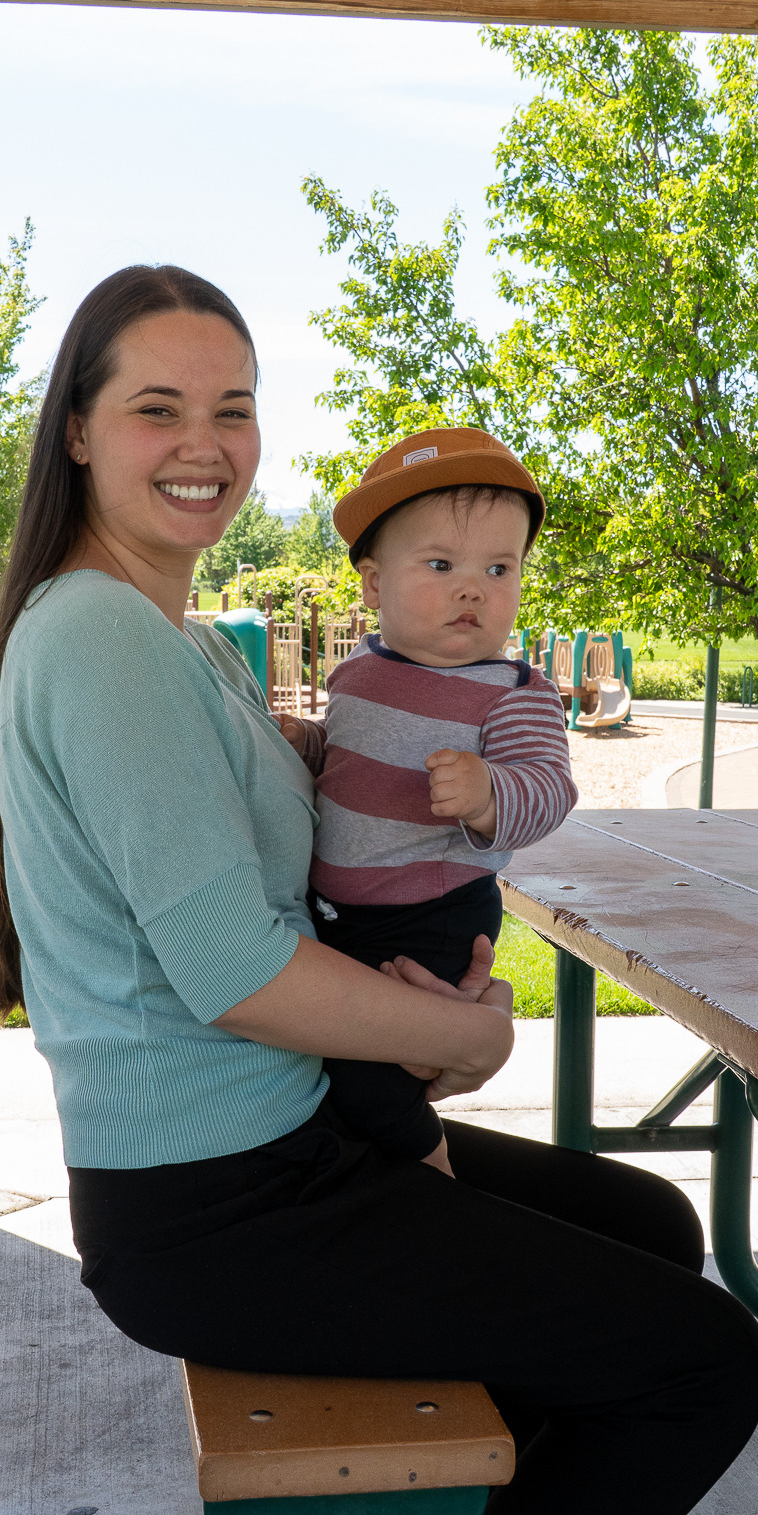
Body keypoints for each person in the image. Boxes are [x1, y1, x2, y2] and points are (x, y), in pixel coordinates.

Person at [0, 265, 758, 1515]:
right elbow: (244, 977)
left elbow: (290, 879)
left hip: (289, 1146)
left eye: (234, 408)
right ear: (76, 430)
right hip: (221, 1206)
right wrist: (463, 1037)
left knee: (647, 1232)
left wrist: (407, 985)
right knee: (704, 1363)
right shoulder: (106, 645)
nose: (206, 444)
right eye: (157, 407)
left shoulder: (174, 637)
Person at [278, 429, 577, 1175]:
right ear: (374, 586)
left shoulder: (512, 691)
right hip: (339, 916)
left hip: (432, 916)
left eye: (499, 568)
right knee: (327, 1065)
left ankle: (436, 1184)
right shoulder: (358, 672)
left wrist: (487, 793)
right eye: (441, 564)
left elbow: (550, 786)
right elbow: (349, 758)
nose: (473, 587)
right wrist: (311, 746)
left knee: (371, 1079)